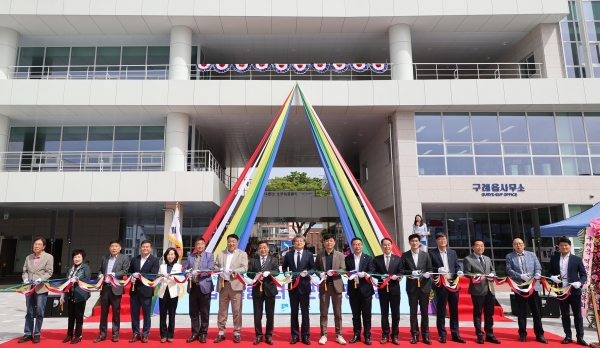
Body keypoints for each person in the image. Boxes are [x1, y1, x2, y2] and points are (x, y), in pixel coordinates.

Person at [505, 237, 547, 344]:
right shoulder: (509, 256)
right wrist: (520, 276)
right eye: (516, 244)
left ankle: (539, 334)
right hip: (519, 286)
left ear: (524, 244)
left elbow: (538, 267)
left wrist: (537, 273)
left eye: (520, 243)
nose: (518, 245)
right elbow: (509, 269)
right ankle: (522, 333)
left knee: (536, 311)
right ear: (513, 246)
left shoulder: (531, 254)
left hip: (532, 286)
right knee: (521, 310)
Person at [549, 237, 588, 346]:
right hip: (561, 290)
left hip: (574, 291)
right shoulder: (555, 258)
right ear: (559, 247)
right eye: (561, 245)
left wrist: (580, 283)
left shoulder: (576, 259)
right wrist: (552, 277)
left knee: (578, 315)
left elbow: (584, 275)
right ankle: (568, 336)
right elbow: (549, 272)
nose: (564, 247)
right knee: (565, 314)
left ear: (570, 246)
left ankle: (580, 337)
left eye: (566, 245)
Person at [428, 233, 465, 344]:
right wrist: (438, 269)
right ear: (436, 241)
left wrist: (459, 270)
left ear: (446, 240)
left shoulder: (452, 252)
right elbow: (429, 267)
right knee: (441, 310)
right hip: (441, 285)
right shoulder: (432, 253)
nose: (442, 241)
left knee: (454, 310)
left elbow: (456, 265)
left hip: (453, 284)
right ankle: (442, 334)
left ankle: (455, 334)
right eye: (440, 239)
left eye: (444, 239)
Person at [463, 239, 500, 345]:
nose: (480, 248)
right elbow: (466, 273)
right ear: (473, 247)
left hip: (490, 289)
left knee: (489, 313)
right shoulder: (468, 259)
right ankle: (479, 335)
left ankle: (490, 334)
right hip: (477, 289)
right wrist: (476, 276)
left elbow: (492, 270)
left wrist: (492, 274)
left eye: (482, 246)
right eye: (478, 246)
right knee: (478, 313)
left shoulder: (487, 258)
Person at [214, 234, 248, 344]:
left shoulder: (242, 254)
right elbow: (214, 267)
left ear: (237, 243)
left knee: (237, 311)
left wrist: (234, 271)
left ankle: (237, 333)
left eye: (233, 241)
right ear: (227, 242)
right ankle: (221, 333)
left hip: (236, 285)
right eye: (229, 241)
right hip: (223, 285)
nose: (231, 243)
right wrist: (220, 269)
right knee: (222, 311)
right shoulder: (220, 254)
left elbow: (244, 268)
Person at [18, 237, 54, 344]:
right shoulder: (28, 257)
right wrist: (25, 278)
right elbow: (24, 271)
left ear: (44, 246)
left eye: (39, 244)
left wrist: (41, 279)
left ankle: (37, 333)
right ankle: (28, 333)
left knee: (39, 312)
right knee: (29, 312)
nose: (36, 246)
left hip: (41, 288)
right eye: (35, 244)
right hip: (29, 288)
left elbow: (49, 272)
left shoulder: (48, 257)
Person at [282, 234, 316, 345]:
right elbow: (284, 267)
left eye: (301, 241)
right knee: (294, 312)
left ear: (304, 243)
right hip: (292, 286)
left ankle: (305, 336)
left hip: (304, 286)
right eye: (296, 241)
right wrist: (286, 273)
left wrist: (308, 273)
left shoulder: (309, 254)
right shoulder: (288, 254)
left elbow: (313, 268)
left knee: (305, 313)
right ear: (293, 243)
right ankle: (295, 336)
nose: (299, 243)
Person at [95, 239, 130, 343]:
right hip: (106, 287)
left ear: (120, 248)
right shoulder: (104, 258)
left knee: (116, 313)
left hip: (116, 288)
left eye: (116, 246)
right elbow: (101, 269)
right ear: (109, 248)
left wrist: (114, 274)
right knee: (103, 312)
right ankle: (102, 334)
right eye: (112, 246)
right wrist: (100, 275)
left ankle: (115, 334)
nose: (114, 248)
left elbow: (125, 271)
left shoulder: (124, 258)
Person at [402, 233, 433, 345]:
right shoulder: (405, 255)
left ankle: (426, 335)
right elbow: (402, 270)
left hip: (424, 287)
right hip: (412, 287)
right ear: (409, 242)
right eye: (412, 241)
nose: (414, 243)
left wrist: (427, 274)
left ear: (419, 242)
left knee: (425, 312)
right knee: (413, 312)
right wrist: (411, 272)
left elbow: (430, 268)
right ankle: (414, 334)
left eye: (416, 241)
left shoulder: (425, 255)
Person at [315, 234, 347, 345]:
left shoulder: (340, 255)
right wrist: (321, 274)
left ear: (334, 242)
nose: (329, 243)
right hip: (324, 286)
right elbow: (316, 270)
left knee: (338, 313)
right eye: (327, 241)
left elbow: (343, 269)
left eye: (331, 241)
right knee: (323, 313)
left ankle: (339, 335)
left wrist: (334, 272)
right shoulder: (320, 255)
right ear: (324, 242)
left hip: (336, 286)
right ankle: (323, 335)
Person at [248, 240, 280, 345]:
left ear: (268, 248)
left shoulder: (273, 260)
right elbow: (249, 273)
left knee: (270, 315)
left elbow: (277, 271)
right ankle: (259, 335)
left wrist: (270, 273)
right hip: (257, 290)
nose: (263, 249)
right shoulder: (253, 260)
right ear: (258, 249)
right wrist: (256, 276)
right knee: (257, 315)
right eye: (260, 248)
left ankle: (269, 335)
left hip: (270, 290)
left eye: (265, 247)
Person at [345, 237, 376, 345]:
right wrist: (349, 274)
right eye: (355, 244)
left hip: (366, 290)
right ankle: (356, 335)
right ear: (352, 246)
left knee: (367, 315)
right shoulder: (348, 258)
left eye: (359, 244)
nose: (357, 246)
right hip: (354, 290)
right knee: (355, 315)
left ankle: (367, 336)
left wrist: (366, 274)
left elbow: (372, 270)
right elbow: (345, 272)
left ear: (362, 246)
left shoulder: (367, 258)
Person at [128, 240, 160, 343]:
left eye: (147, 247)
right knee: (134, 314)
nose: (145, 248)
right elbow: (129, 272)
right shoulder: (134, 259)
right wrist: (131, 276)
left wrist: (140, 276)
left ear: (150, 248)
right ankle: (136, 333)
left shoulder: (154, 260)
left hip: (146, 290)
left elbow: (153, 274)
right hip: (134, 290)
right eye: (143, 247)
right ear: (140, 248)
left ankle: (145, 334)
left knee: (146, 314)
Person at [373, 238, 403, 346]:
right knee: (384, 314)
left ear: (391, 245)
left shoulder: (398, 259)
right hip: (382, 290)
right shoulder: (377, 259)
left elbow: (401, 271)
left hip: (395, 290)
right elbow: (373, 272)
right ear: (381, 246)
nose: (387, 247)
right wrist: (381, 276)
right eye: (384, 245)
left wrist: (398, 276)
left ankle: (395, 335)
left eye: (389, 245)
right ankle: (385, 335)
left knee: (396, 314)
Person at [185, 237, 214, 344]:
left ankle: (203, 334)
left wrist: (199, 272)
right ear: (195, 246)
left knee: (204, 312)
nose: (200, 246)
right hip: (193, 287)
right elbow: (185, 269)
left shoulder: (209, 256)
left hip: (204, 287)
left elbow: (211, 269)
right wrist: (187, 271)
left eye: (202, 244)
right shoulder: (190, 257)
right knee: (193, 312)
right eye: (198, 244)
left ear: (204, 245)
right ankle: (194, 333)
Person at [61, 249, 91, 344]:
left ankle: (78, 335)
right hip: (70, 295)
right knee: (71, 316)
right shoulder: (71, 269)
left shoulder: (86, 268)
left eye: (79, 257)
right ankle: (69, 334)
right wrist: (63, 294)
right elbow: (66, 282)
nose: (77, 259)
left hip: (80, 295)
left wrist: (78, 280)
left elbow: (88, 281)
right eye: (75, 257)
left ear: (82, 258)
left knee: (79, 316)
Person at [158, 248, 182, 343]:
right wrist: (161, 277)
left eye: (172, 254)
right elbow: (159, 277)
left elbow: (178, 278)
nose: (170, 256)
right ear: (166, 256)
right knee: (162, 315)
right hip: (163, 292)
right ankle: (163, 334)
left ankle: (170, 334)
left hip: (173, 293)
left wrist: (170, 276)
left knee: (172, 314)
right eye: (168, 254)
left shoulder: (178, 266)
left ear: (175, 256)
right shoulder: (162, 266)